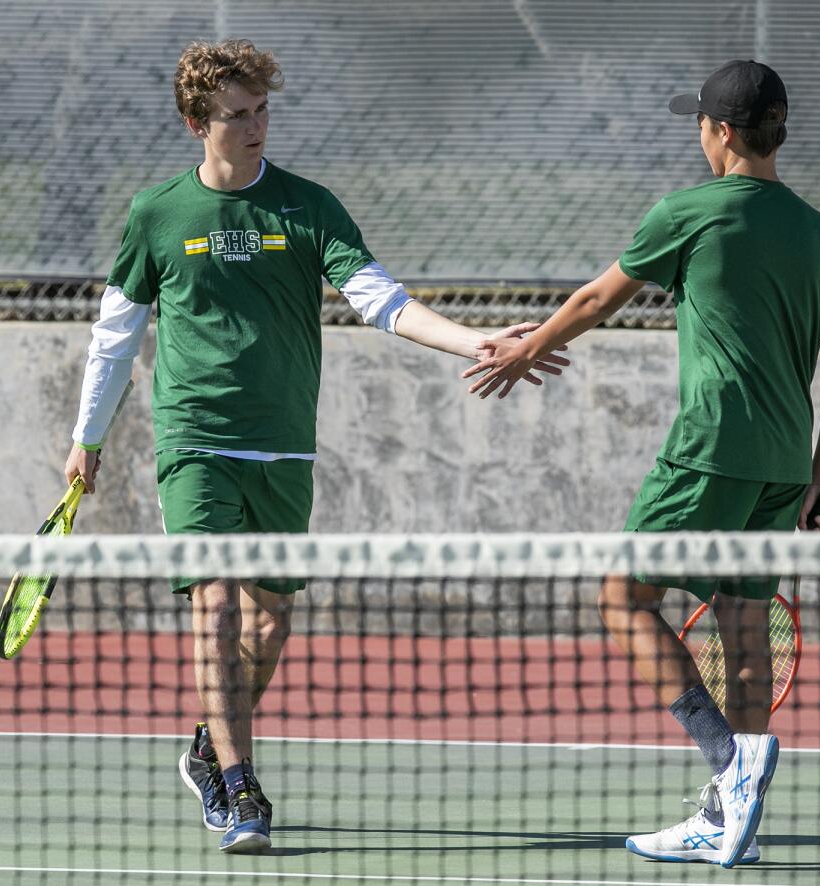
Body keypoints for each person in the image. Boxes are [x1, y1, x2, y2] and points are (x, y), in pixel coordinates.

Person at [63, 39, 568, 854]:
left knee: (270, 629)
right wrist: (88, 437)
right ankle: (240, 787)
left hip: (284, 447)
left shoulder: (308, 206)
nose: (256, 126)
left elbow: (382, 300)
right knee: (217, 607)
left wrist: (473, 339)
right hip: (195, 439)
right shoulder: (156, 215)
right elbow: (115, 335)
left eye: (263, 109)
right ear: (196, 122)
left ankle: (206, 745)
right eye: (237, 114)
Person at [464, 59, 820, 867]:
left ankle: (729, 762)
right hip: (786, 462)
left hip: (710, 450)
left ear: (719, 132)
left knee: (622, 598)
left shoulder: (690, 212)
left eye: (700, 123)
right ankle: (732, 822)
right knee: (742, 625)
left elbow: (594, 300)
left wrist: (524, 350)